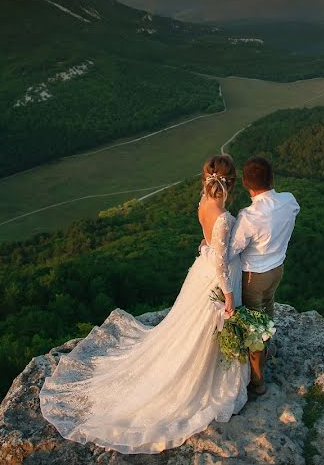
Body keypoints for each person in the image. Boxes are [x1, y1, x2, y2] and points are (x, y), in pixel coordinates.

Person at [38, 154, 249, 454]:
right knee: (204, 329)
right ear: (230, 183)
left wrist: (208, 247)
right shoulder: (225, 217)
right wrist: (228, 296)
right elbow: (219, 262)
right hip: (214, 279)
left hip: (199, 272)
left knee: (187, 329)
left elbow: (207, 242)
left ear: (207, 180)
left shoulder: (203, 204)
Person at [230, 157, 300, 396]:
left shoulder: (249, 216)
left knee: (255, 328)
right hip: (277, 270)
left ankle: (257, 382)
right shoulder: (289, 201)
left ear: (245, 183)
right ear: (272, 179)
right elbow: (292, 213)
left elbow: (233, 249)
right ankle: (266, 350)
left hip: (254, 276)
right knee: (267, 310)